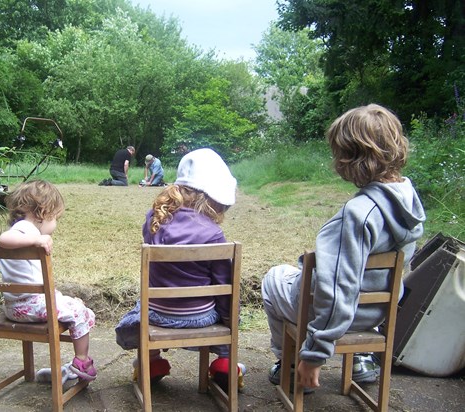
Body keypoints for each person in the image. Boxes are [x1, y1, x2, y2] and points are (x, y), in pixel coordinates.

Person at [262, 104, 426, 391]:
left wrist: (315, 353)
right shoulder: (408, 200)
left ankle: (289, 365)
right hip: (377, 311)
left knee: (274, 278)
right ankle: (361, 357)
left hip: (333, 313)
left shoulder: (358, 214)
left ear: (349, 156)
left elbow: (337, 288)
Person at [115, 148, 246, 389]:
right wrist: (229, 321)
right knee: (227, 307)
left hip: (157, 316)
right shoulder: (214, 234)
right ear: (213, 199)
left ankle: (152, 361)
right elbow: (223, 287)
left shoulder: (153, 219)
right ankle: (226, 363)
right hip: (200, 318)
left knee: (140, 305)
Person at [0, 179, 97, 381]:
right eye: (55, 218)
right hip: (29, 306)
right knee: (79, 311)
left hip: (14, 307)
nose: (55, 224)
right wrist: (36, 239)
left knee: (76, 306)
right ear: (42, 213)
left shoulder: (23, 230)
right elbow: (3, 240)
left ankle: (76, 363)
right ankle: (81, 361)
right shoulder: (26, 229)